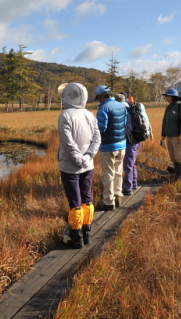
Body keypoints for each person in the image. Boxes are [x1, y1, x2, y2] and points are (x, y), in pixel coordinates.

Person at [58, 83, 101, 248]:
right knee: (87, 199)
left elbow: (68, 142)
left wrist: (78, 159)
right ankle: (87, 233)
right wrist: (88, 156)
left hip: (70, 167)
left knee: (75, 201)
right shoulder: (89, 114)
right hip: (88, 165)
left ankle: (76, 238)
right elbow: (97, 138)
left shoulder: (65, 115)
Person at [95, 85, 128, 210]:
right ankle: (118, 195)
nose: (98, 100)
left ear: (103, 96)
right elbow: (125, 123)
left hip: (108, 145)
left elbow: (101, 128)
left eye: (98, 97)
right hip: (122, 144)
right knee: (118, 171)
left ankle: (109, 201)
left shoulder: (104, 108)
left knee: (108, 174)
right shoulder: (121, 106)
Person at [123, 96, 153, 195]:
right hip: (138, 140)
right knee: (132, 163)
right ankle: (134, 183)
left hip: (131, 141)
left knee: (128, 165)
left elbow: (128, 128)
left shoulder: (129, 112)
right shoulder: (138, 110)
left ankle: (128, 188)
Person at [161, 88, 181, 179]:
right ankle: (177, 175)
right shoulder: (169, 107)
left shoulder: (180, 106)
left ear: (173, 97)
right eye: (166, 97)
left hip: (177, 136)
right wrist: (163, 134)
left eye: (168, 96)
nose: (167, 98)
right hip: (169, 135)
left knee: (180, 156)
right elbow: (165, 121)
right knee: (173, 157)